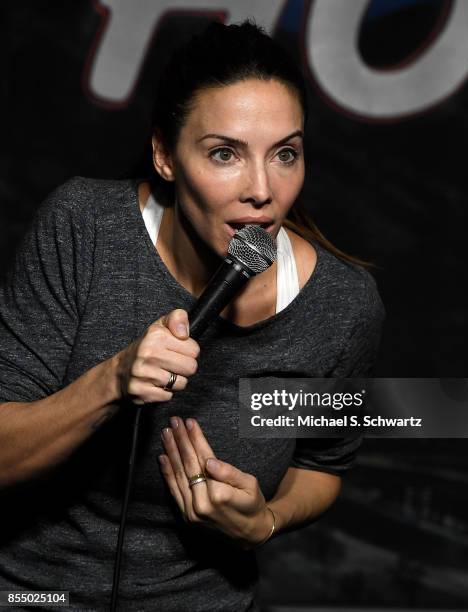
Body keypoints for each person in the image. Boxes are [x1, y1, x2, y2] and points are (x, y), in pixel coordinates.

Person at [0, 20, 384, 612]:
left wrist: (266, 521)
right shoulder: (85, 229)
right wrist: (111, 381)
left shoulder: (342, 307)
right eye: (225, 153)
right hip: (35, 594)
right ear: (165, 154)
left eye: (285, 154)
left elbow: (321, 466)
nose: (262, 190)